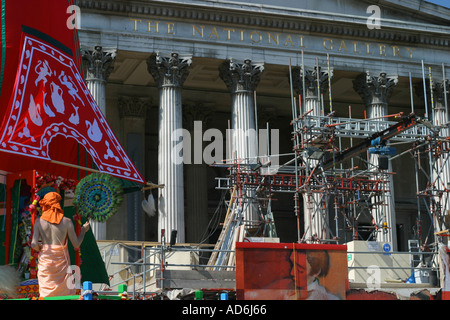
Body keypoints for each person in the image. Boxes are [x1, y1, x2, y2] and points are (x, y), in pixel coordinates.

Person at [31, 191, 90, 298]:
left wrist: (40, 247)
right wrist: (83, 231)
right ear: (58, 204)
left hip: (46, 261)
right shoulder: (67, 222)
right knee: (63, 292)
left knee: (45, 294)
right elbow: (76, 245)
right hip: (61, 262)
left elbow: (33, 244)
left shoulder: (39, 222)